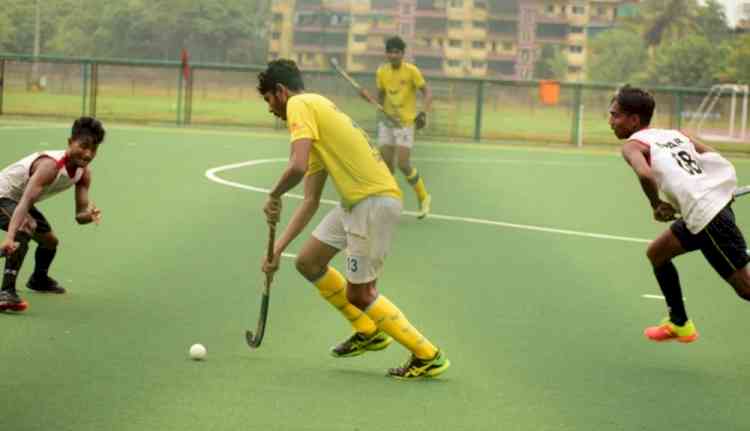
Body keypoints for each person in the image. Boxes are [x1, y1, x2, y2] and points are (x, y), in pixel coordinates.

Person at [257, 59, 449, 379]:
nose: (269, 109)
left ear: (281, 91)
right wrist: (277, 250)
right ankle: (368, 331)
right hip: (356, 202)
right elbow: (310, 200)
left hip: (372, 201)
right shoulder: (318, 111)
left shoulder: (300, 105)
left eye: (268, 100)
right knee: (308, 262)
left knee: (360, 294)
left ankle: (427, 354)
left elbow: (296, 166)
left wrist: (274, 194)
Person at [611, 85, 750, 342]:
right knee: (657, 253)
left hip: (708, 218)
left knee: (746, 289)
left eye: (616, 115)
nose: (611, 121)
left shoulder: (632, 146)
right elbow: (712, 156)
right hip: (701, 213)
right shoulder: (674, 134)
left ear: (634, 120)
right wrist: (714, 187)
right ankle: (679, 323)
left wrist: (656, 205)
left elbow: (645, 173)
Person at [0, 117, 105, 312]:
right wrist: (10, 237)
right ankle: (6, 292)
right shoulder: (50, 166)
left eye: (94, 149)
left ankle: (38, 279)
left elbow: (79, 215)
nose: (88, 153)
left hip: (17, 199)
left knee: (49, 241)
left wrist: (90, 215)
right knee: (25, 226)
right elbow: (25, 203)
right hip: (3, 195)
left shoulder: (83, 173)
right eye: (83, 146)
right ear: (70, 142)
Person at [358, 36, 433, 219]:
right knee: (386, 167)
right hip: (387, 122)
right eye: (389, 52)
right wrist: (368, 98)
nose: (393, 55)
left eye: (396, 52)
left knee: (403, 164)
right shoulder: (382, 72)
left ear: (402, 53)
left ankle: (423, 198)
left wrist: (423, 112)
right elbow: (380, 98)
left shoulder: (411, 71)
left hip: (405, 123)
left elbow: (427, 92)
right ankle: (390, 204)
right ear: (386, 53)